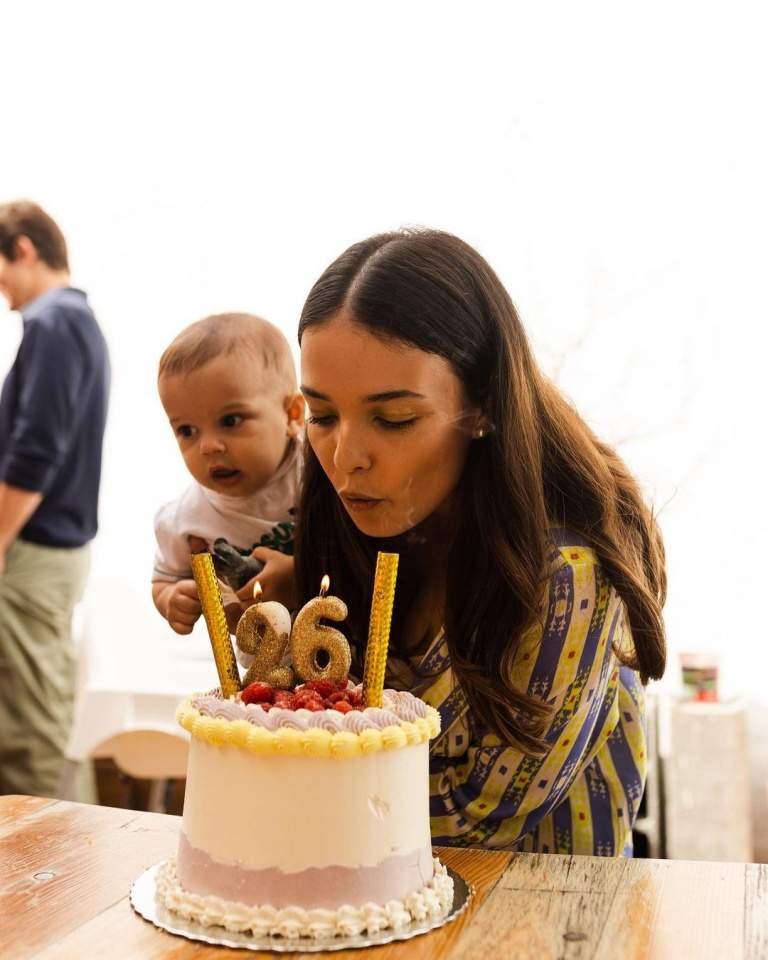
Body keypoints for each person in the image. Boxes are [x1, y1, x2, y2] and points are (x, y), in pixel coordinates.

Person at [295, 229, 666, 856]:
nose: (344, 458)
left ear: (485, 404)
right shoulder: (363, 532)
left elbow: (476, 825)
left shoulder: (567, 575)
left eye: (394, 419)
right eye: (322, 414)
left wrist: (290, 799)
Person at [0, 200, 110, 798]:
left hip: (34, 553)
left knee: (27, 730)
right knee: (39, 710)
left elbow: (36, 446)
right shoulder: (72, 321)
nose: (3, 292)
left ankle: (37, 877)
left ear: (22, 248)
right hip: (51, 554)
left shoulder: (54, 320)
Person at [152, 313, 303, 635]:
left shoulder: (319, 470)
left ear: (292, 415)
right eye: (187, 430)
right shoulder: (187, 517)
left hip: (349, 649)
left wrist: (298, 575)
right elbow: (165, 577)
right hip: (262, 666)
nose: (207, 447)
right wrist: (172, 599)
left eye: (231, 421)